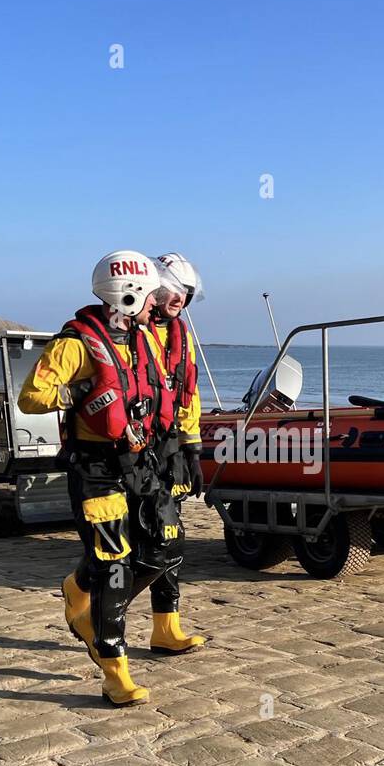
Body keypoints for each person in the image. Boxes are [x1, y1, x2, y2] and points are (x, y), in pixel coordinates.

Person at [16, 250, 178, 706]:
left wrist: (179, 446)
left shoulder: (143, 339)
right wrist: (80, 389)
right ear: (127, 296)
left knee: (168, 544)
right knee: (112, 566)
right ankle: (114, 672)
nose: (156, 302)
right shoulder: (76, 344)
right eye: (150, 295)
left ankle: (77, 586)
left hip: (142, 461)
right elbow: (32, 397)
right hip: (97, 470)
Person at [145, 252, 207, 655]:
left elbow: (188, 396)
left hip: (169, 448)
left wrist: (193, 449)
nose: (180, 297)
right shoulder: (129, 330)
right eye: (174, 289)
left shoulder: (181, 340)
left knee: (171, 536)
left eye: (186, 292)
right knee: (130, 541)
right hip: (131, 446)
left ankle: (166, 626)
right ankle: (81, 591)